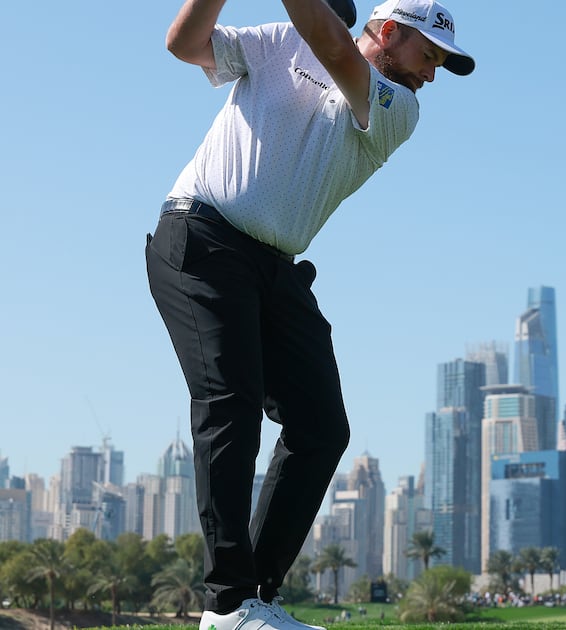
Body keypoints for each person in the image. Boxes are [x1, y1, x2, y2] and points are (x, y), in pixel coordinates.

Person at [145, 1, 473, 629]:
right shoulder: (277, 42)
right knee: (230, 402)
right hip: (202, 237)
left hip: (273, 268)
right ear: (391, 31)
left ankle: (254, 598)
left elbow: (332, 47)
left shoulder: (398, 107)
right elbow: (185, 43)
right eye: (428, 56)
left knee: (321, 425)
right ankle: (228, 605)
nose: (431, 75)